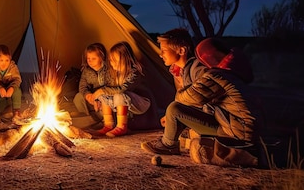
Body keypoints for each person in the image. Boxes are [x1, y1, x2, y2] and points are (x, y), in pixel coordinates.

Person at [141, 37, 260, 165]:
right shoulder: (231, 74)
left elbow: (191, 97)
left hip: (237, 133)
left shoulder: (216, 76)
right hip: (239, 127)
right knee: (182, 114)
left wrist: (181, 91)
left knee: (175, 109)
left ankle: (168, 144)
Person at [92, 41, 158, 137]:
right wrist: (98, 96)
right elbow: (109, 90)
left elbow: (122, 89)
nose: (112, 62)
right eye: (111, 60)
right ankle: (108, 125)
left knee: (119, 95)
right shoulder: (115, 73)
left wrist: (102, 90)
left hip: (141, 103)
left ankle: (121, 127)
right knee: (103, 95)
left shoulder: (134, 72)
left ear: (125, 58)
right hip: (124, 102)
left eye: (115, 59)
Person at [156, 28, 208, 128]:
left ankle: (167, 143)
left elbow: (201, 98)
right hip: (194, 114)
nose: (160, 54)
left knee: (173, 109)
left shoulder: (197, 68)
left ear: (181, 50)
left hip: (208, 116)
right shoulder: (177, 71)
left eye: (164, 51)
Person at [72, 43, 108, 122]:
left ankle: (105, 120)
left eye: (93, 58)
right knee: (78, 97)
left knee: (107, 104)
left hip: (105, 100)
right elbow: (82, 86)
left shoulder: (108, 70)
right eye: (88, 58)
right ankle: (89, 119)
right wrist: (88, 95)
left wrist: (99, 97)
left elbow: (112, 87)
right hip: (92, 100)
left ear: (101, 57)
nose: (90, 61)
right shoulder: (86, 71)